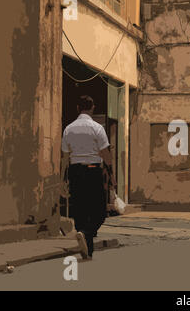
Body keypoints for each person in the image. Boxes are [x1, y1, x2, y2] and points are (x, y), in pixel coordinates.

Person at [61, 95, 117, 259]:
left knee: (80, 209)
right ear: (92, 108)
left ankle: (87, 250)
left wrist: (62, 180)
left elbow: (65, 157)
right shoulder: (97, 128)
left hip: (75, 171)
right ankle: (86, 232)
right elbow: (106, 155)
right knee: (98, 211)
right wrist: (112, 176)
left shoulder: (68, 129)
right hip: (93, 171)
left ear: (78, 108)